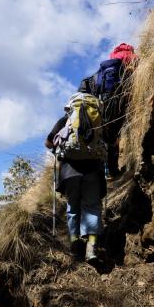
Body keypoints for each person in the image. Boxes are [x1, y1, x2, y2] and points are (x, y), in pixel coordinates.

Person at [45, 87, 106, 263]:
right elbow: (108, 141)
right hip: (93, 169)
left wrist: (59, 146)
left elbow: (48, 143)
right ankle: (91, 247)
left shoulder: (66, 120)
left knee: (73, 207)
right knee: (92, 206)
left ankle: (75, 245)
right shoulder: (98, 118)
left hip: (69, 170)